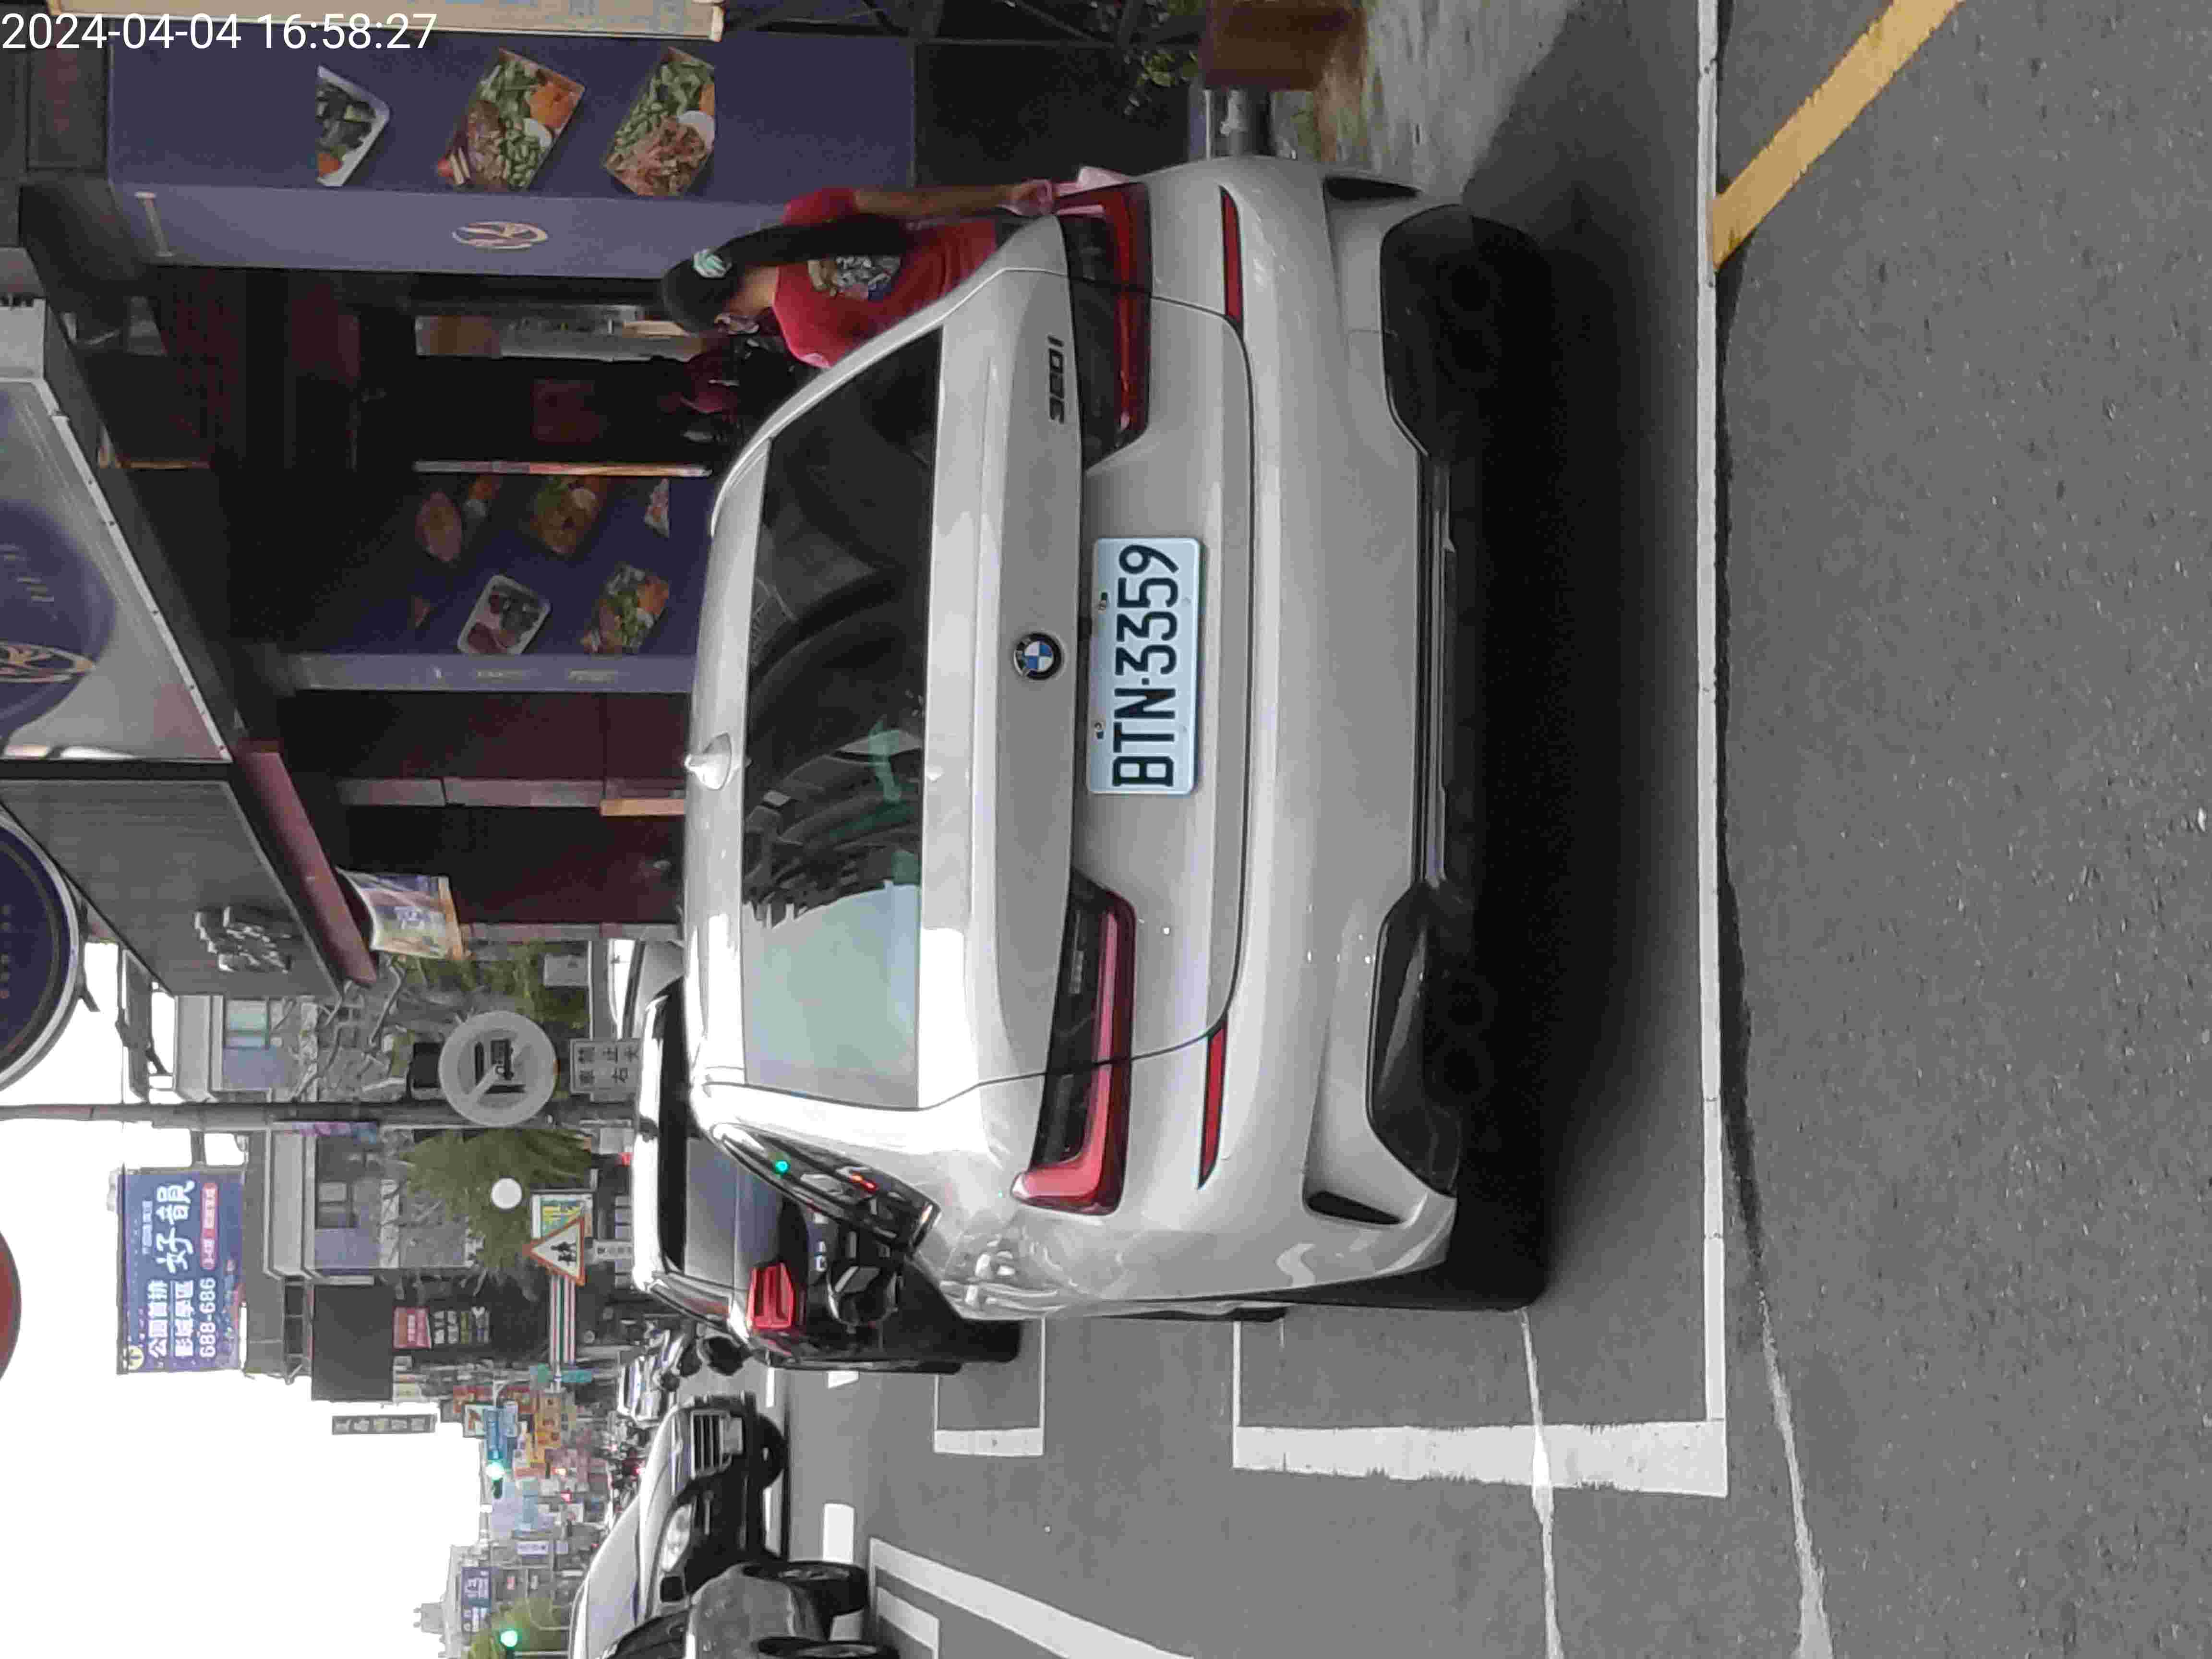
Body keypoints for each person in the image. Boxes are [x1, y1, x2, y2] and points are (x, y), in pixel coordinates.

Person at [659, 170, 1129, 370]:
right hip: (1007, 239)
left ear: (725, 318)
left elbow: (904, 368)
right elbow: (920, 202)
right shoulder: (807, 210)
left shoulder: (806, 340)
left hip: (1008, 312)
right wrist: (1006, 194)